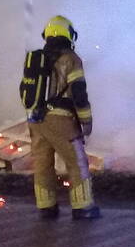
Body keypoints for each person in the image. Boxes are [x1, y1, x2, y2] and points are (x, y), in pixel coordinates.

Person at [25, 15, 100, 221]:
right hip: (61, 120)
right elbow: (79, 93)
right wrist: (86, 121)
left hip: (36, 119)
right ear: (68, 34)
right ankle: (83, 207)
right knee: (77, 162)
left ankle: (46, 207)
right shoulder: (71, 59)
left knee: (42, 163)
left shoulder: (37, 58)